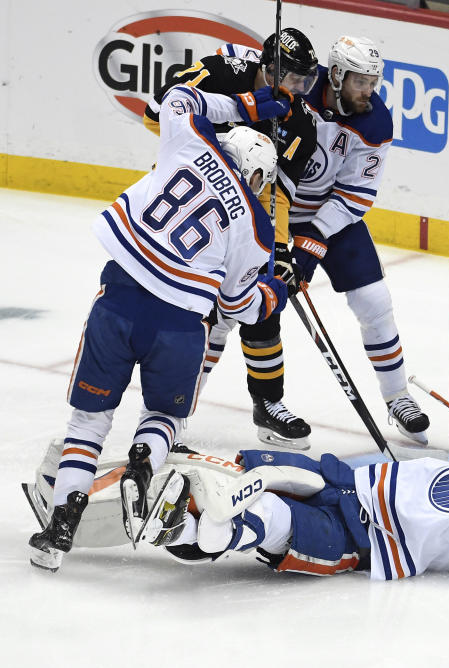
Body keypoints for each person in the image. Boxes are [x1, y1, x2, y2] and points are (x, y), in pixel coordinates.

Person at [28, 83, 291, 572]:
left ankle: (60, 526)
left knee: (88, 423)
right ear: (256, 172)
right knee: (165, 417)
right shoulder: (256, 225)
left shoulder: (191, 142)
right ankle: (144, 462)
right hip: (181, 325)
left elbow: (175, 96)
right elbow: (238, 305)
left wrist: (243, 104)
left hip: (119, 302)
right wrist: (277, 291)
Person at [23, 424, 449, 588]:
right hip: (346, 482)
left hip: (356, 543)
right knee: (246, 469)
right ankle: (87, 491)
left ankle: (195, 527)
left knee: (267, 523)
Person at [144, 29, 320, 450]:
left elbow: (278, 193)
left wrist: (279, 252)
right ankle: (171, 415)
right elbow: (156, 112)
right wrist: (231, 121)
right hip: (193, 211)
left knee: (261, 309)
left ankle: (268, 405)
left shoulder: (299, 123)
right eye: (294, 79)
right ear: (269, 67)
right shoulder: (222, 72)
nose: (300, 90)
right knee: (198, 315)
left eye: (306, 81)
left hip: (246, 223)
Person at [289, 36, 432, 445]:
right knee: (241, 310)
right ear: (335, 75)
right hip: (275, 212)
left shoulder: (375, 121)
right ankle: (183, 410)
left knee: (374, 303)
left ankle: (397, 396)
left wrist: (313, 238)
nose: (369, 91)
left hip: (332, 217)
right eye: (359, 82)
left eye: (373, 82)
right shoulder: (298, 86)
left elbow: (354, 195)